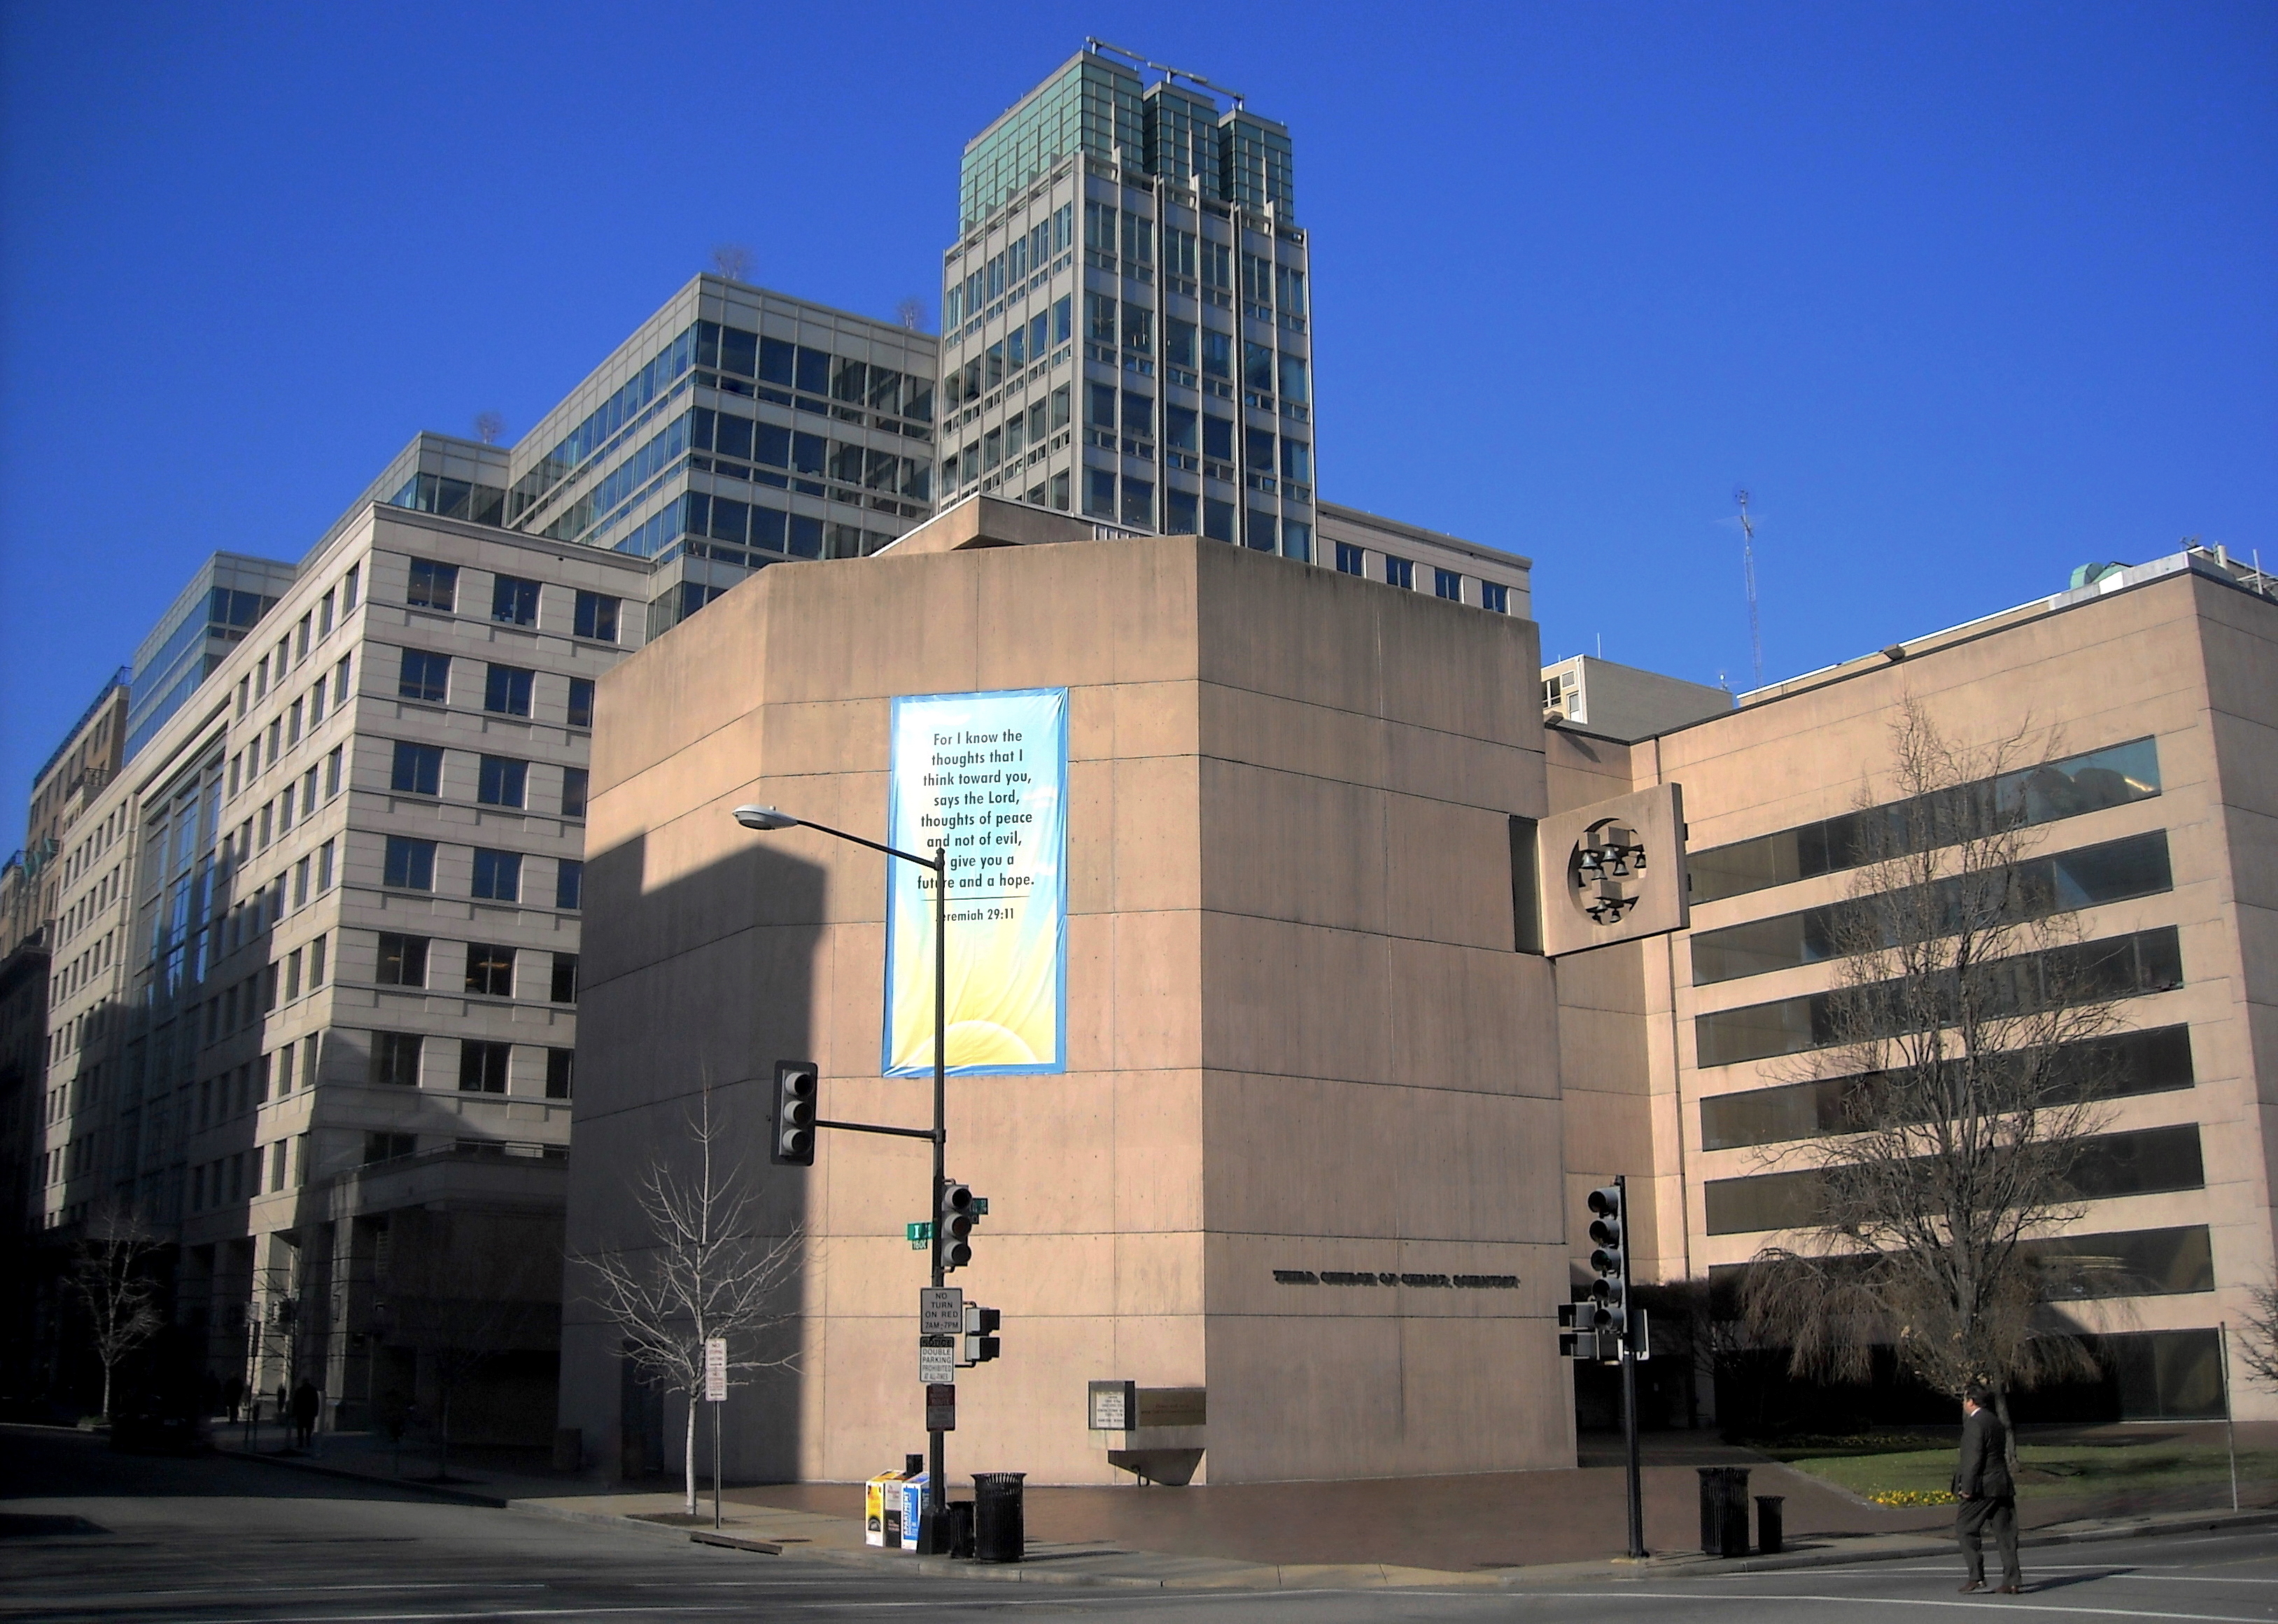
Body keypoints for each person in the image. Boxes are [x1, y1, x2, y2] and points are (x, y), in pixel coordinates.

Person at [1953, 1383, 2023, 1593]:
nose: (1964, 1404)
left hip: (1984, 1486)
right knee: (2006, 1534)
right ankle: (2012, 1581)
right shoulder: (1995, 1421)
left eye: (1965, 1399)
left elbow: (1973, 1458)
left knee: (1965, 1528)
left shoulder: (1975, 1423)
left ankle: (1977, 1576)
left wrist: (1967, 1487)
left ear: (1972, 1401)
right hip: (2002, 1484)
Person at [291, 1378, 320, 1450]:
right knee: (309, 1429)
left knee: (300, 1429)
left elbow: (296, 1402)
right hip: (309, 1413)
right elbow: (316, 1402)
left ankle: (301, 1443)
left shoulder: (300, 1390)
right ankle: (308, 1442)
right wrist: (315, 1412)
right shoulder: (313, 1390)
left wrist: (294, 1412)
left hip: (301, 1413)